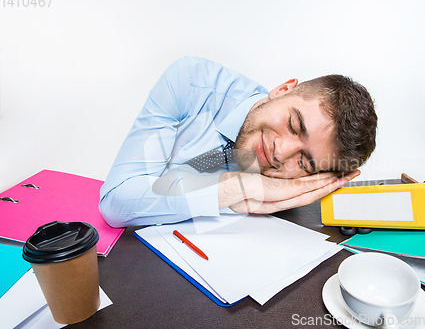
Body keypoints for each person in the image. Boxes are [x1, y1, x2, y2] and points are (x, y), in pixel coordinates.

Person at [99, 56, 377, 227]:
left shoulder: (292, 180)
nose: (281, 153)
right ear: (282, 89)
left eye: (303, 161)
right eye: (293, 125)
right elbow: (116, 201)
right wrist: (238, 189)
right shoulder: (190, 82)